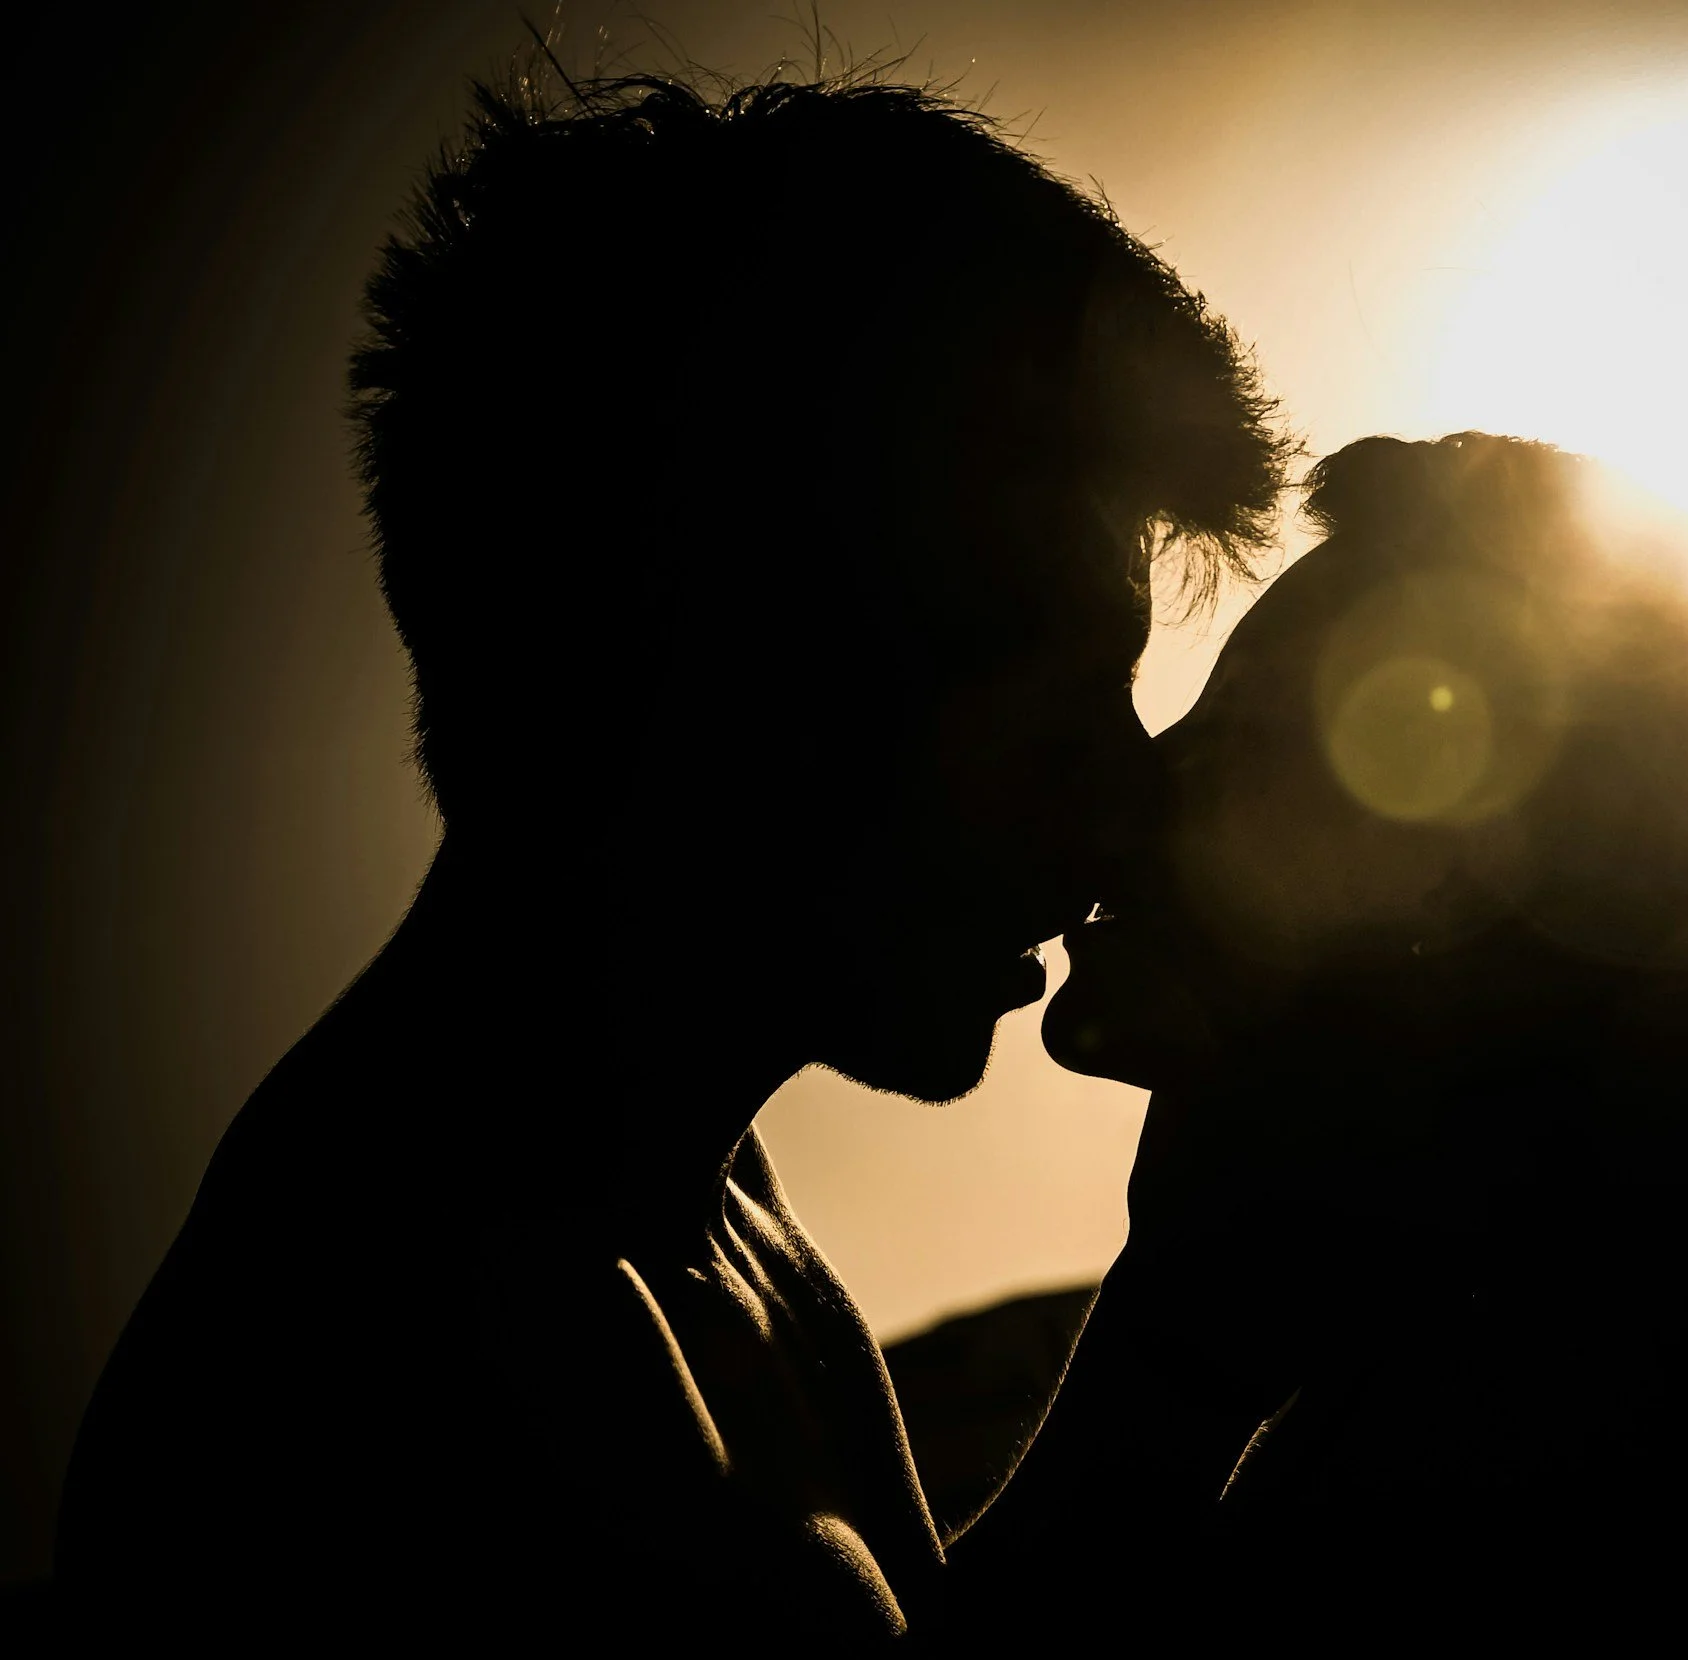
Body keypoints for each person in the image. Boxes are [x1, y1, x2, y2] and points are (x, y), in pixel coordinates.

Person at [55, 71, 1288, 1641]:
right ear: (767, 691)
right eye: (1059, 723)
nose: (1126, 810)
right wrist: (1194, 1358)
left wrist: (1189, 1320)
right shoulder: (458, 1361)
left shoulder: (693, 1197)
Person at [1009, 433, 1688, 1642]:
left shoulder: (1526, 1478)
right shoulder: (1513, 1354)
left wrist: (1162, 1375)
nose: (1137, 796)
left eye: (1249, 746)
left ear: (1488, 899)